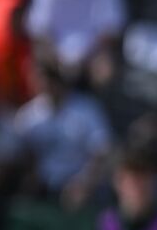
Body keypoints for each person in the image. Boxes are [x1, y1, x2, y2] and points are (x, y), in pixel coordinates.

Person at [15, 61, 114, 208]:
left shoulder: (87, 109)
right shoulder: (28, 116)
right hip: (42, 188)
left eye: (51, 81)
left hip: (80, 187)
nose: (46, 86)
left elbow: (102, 152)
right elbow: (22, 155)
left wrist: (84, 184)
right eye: (41, 81)